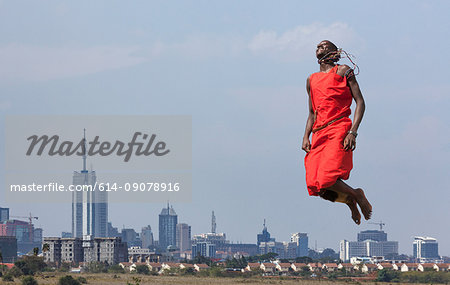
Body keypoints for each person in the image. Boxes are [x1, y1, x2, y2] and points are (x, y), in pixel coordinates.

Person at [302, 40, 372, 225]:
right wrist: (305, 136)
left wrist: (353, 132)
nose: (320, 47)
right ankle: (350, 201)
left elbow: (361, 102)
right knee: (316, 186)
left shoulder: (343, 71)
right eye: (317, 46)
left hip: (338, 128)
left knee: (326, 177)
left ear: (334, 52)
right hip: (318, 133)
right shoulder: (311, 80)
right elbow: (312, 113)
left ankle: (357, 194)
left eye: (325, 45)